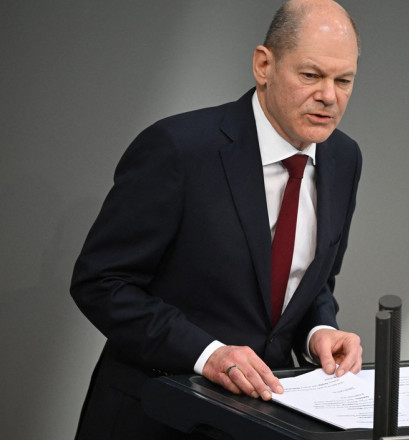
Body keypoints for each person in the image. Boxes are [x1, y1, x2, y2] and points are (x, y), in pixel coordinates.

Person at [70, 0, 363, 438]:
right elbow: (101, 282)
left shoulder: (344, 158)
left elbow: (310, 280)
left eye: (343, 80)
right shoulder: (178, 148)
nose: (329, 96)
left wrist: (318, 330)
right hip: (156, 416)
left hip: (261, 421)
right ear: (263, 65)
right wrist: (207, 354)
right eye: (310, 75)